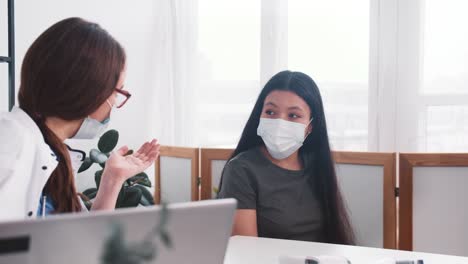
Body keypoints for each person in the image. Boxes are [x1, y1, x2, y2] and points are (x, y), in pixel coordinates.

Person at [0, 17, 159, 221]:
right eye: (117, 92)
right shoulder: (12, 138)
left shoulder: (54, 154)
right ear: (90, 90)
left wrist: (113, 179)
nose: (115, 103)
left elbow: (84, 238)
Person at [218, 70, 355, 244]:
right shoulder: (241, 169)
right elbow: (246, 250)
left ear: (310, 127)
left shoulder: (317, 165)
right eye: (270, 112)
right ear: (259, 115)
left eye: (293, 115)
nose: (280, 122)